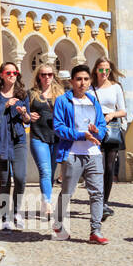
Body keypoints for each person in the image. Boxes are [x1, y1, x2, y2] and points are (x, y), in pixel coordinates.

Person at [52, 63, 108, 243]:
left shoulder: (94, 101)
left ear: (90, 81)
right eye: (78, 79)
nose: (82, 83)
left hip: (93, 154)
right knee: (67, 191)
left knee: (97, 193)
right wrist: (81, 135)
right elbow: (59, 127)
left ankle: (95, 231)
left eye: (85, 79)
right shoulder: (62, 101)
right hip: (72, 153)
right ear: (72, 81)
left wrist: (97, 131)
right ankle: (58, 223)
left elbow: (102, 125)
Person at [0, 62, 31, 229]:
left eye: (15, 72)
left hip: (18, 139)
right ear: (2, 75)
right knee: (4, 181)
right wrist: (5, 104)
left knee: (20, 178)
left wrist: (24, 113)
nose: (12, 75)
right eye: (8, 72)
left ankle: (17, 212)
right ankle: (5, 218)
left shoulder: (22, 94)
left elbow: (27, 120)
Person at [91, 57, 127, 221]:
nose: (104, 72)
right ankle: (98, 201)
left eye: (106, 69)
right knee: (97, 166)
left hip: (111, 126)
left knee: (109, 166)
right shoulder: (91, 89)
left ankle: (104, 202)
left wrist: (112, 114)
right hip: (96, 128)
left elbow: (123, 111)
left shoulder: (116, 87)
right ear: (96, 70)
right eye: (101, 69)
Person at [28, 61, 64, 222]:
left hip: (56, 138)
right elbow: (24, 114)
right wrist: (27, 116)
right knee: (45, 170)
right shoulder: (31, 94)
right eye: (43, 74)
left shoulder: (61, 94)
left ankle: (45, 199)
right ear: (39, 77)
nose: (47, 77)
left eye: (50, 74)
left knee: (51, 171)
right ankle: (47, 203)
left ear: (54, 76)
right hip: (38, 136)